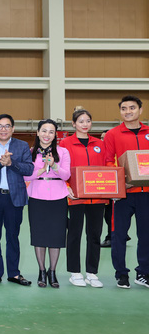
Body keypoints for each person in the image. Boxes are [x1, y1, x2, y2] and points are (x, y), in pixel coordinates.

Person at [0, 114, 34, 287]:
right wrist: (0, 163)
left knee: (13, 237)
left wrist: (12, 163)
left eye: (7, 126)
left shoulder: (22, 145)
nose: (3, 129)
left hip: (14, 198)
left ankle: (14, 273)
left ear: (13, 128)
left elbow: (29, 169)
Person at [104, 95, 149, 289]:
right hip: (123, 194)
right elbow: (108, 161)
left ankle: (144, 273)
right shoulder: (112, 134)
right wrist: (120, 182)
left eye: (132, 108)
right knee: (119, 235)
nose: (128, 111)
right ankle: (121, 274)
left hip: (146, 192)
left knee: (146, 235)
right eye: (124, 108)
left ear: (140, 110)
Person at [60, 107, 107, 288]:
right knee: (74, 234)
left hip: (98, 197)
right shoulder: (65, 143)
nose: (85, 124)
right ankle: (75, 272)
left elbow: (107, 166)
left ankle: (92, 272)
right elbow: (61, 168)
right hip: (75, 197)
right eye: (81, 121)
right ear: (73, 124)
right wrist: (66, 187)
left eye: (88, 121)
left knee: (94, 234)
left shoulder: (100, 144)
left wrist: (111, 188)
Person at [23, 119, 70, 288]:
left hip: (58, 197)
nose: (47, 135)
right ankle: (42, 271)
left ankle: (53, 271)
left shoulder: (63, 152)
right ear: (37, 132)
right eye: (44, 131)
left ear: (55, 135)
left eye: (51, 132)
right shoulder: (30, 152)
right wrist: (42, 170)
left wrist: (54, 166)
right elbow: (26, 175)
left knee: (56, 236)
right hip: (37, 197)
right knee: (39, 236)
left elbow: (66, 175)